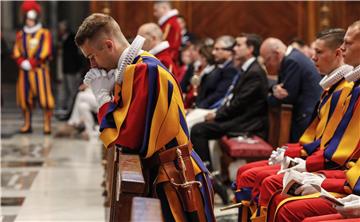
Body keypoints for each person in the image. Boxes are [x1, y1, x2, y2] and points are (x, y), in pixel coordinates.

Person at [75, 13, 215, 221]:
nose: (92, 65)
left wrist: (104, 100)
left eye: (92, 57)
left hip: (174, 177)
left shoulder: (145, 70)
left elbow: (128, 139)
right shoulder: (134, 68)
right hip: (162, 173)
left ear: (108, 45)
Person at [233, 28, 355, 221]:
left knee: (272, 189)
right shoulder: (338, 87)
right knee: (248, 173)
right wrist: (295, 153)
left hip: (341, 170)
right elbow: (326, 139)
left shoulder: (346, 89)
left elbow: (339, 148)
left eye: (319, 52)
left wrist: (305, 161)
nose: (313, 57)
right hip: (334, 164)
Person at [264, 21, 360, 222]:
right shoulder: (347, 88)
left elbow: (340, 152)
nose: (343, 49)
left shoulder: (347, 90)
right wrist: (297, 156)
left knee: (283, 202)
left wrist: (318, 174)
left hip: (345, 176)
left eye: (348, 44)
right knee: (274, 190)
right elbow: (331, 142)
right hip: (347, 175)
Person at [262, 37, 322, 142]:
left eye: (267, 60)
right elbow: (281, 87)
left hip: (305, 117)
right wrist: (275, 90)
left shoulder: (292, 61)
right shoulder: (292, 57)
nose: (267, 65)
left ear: (277, 54)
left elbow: (288, 96)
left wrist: (269, 98)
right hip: (305, 114)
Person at [13, 0, 54, 134]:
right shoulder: (20, 34)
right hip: (24, 72)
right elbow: (16, 50)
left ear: (36, 19)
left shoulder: (44, 33)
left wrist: (32, 63)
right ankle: (27, 123)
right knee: (24, 98)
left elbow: (46, 50)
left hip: (39, 71)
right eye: (28, 19)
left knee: (44, 98)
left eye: (32, 19)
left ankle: (47, 124)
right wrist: (21, 62)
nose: (29, 21)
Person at [55, 20, 84, 119]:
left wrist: (78, 69)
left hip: (72, 69)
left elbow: (76, 55)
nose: (60, 30)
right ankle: (66, 110)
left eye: (61, 28)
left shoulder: (72, 38)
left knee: (73, 91)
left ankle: (71, 112)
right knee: (65, 91)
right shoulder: (62, 39)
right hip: (65, 69)